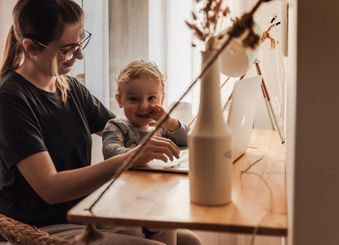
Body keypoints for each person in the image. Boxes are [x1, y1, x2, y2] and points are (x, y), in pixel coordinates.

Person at [0, 1, 200, 245]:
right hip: (43, 226)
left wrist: (168, 123)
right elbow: (50, 188)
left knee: (189, 241)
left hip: (87, 212)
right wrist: (131, 157)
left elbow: (125, 129)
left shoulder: (70, 88)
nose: (80, 55)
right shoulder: (11, 99)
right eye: (68, 48)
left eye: (81, 41)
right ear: (31, 48)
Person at [102, 60, 190, 161]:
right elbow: (110, 152)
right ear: (120, 100)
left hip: (156, 176)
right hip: (126, 177)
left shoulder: (161, 127)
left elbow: (190, 140)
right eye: (134, 99)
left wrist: (171, 123)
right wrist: (139, 153)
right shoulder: (117, 126)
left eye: (151, 98)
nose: (144, 106)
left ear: (162, 100)